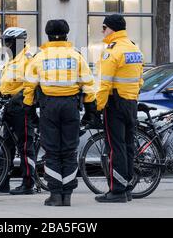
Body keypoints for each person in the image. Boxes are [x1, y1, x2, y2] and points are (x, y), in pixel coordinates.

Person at [23, 19, 97, 206]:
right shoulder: (76, 56)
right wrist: (90, 111)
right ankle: (67, 195)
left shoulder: (39, 57)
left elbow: (29, 86)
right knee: (70, 150)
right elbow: (88, 85)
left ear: (47, 35)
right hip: (71, 106)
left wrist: (29, 110)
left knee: (52, 151)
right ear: (66, 34)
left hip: (49, 106)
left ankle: (56, 194)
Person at [94, 14, 144, 203]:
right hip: (131, 102)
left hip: (114, 103)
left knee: (115, 148)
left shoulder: (111, 51)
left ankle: (117, 191)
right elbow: (140, 78)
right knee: (128, 146)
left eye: (104, 27)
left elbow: (104, 84)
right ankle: (127, 187)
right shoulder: (134, 48)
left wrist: (97, 106)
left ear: (112, 28)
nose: (102, 31)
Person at [0, 27, 37, 195]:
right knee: (5, 145)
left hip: (22, 107)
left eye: (8, 42)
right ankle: (3, 182)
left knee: (24, 146)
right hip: (10, 107)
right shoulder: (12, 60)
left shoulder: (28, 58)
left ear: (18, 42)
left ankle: (28, 183)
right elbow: (8, 84)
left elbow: (31, 83)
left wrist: (19, 96)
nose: (5, 45)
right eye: (5, 42)